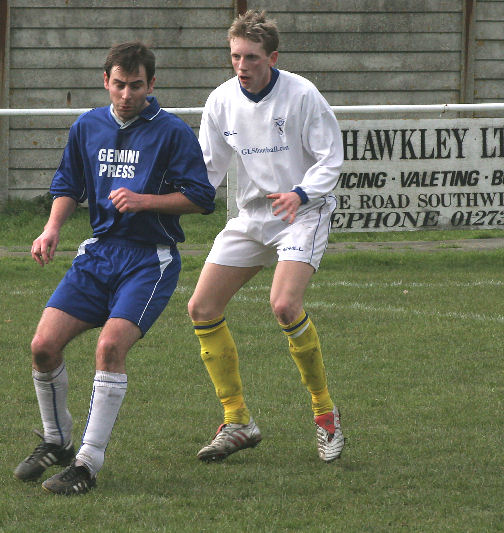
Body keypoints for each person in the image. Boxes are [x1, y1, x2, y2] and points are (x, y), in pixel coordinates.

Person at [13, 41, 216, 495]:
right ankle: (57, 439)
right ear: (106, 81)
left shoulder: (171, 132)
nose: (127, 94)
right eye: (119, 85)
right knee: (43, 346)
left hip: (149, 259)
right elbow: (69, 184)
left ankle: (87, 462)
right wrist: (52, 230)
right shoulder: (87, 126)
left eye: (137, 85)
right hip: (99, 254)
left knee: (109, 348)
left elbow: (202, 198)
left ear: (152, 84)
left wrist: (146, 201)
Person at [188, 10, 345, 464]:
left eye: (252, 57)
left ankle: (325, 415)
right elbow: (208, 170)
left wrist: (300, 193)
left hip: (303, 212)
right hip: (252, 216)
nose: (241, 65)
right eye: (235, 55)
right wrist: (170, 200)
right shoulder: (219, 101)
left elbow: (330, 158)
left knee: (284, 305)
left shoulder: (303, 95)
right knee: (202, 307)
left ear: (272, 57)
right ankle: (237, 421)